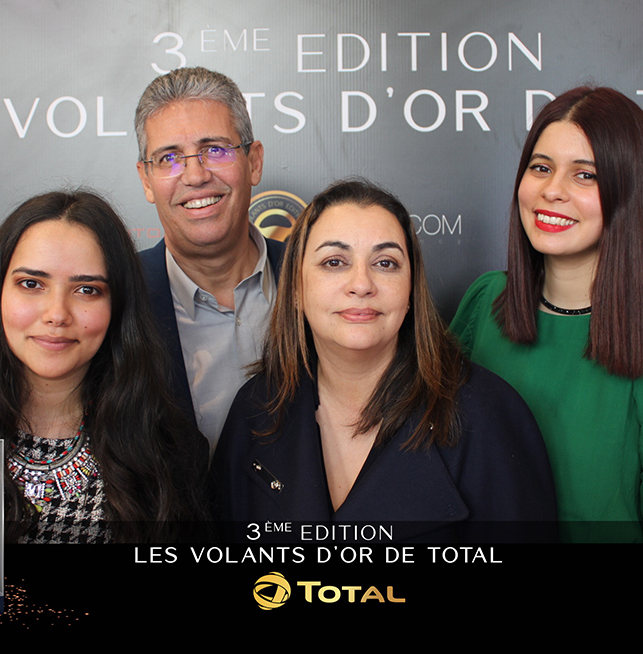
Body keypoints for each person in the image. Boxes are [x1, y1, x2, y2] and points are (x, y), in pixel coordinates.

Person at [0, 67, 284, 456]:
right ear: (146, 179)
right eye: (168, 158)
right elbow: (4, 385)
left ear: (254, 161)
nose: (195, 174)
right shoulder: (109, 296)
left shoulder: (315, 285)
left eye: (216, 150)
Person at [449, 86, 643, 543]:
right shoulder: (486, 303)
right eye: (541, 168)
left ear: (629, 191)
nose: (552, 190)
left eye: (584, 175)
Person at [213, 179, 556, 541]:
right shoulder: (255, 409)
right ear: (296, 288)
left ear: (411, 289)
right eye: (334, 262)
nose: (362, 284)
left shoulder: (489, 417)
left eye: (385, 263)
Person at [0, 190, 209, 543]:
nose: (57, 314)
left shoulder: (173, 451)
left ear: (118, 306)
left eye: (87, 290)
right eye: (31, 284)